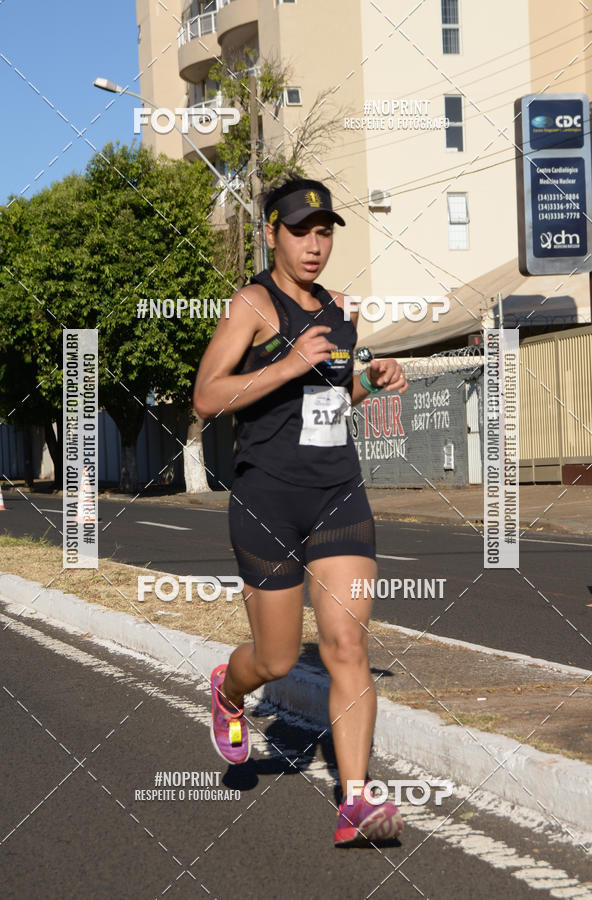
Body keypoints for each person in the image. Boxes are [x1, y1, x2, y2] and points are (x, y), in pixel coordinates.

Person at [193, 177, 408, 846]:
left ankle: (355, 802)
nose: (314, 245)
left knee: (347, 643)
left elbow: (332, 395)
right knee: (279, 659)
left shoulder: (340, 310)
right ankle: (229, 689)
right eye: (299, 231)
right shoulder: (252, 306)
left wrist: (370, 382)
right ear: (271, 234)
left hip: (338, 490)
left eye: (324, 232)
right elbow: (206, 397)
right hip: (268, 500)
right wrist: (285, 364)